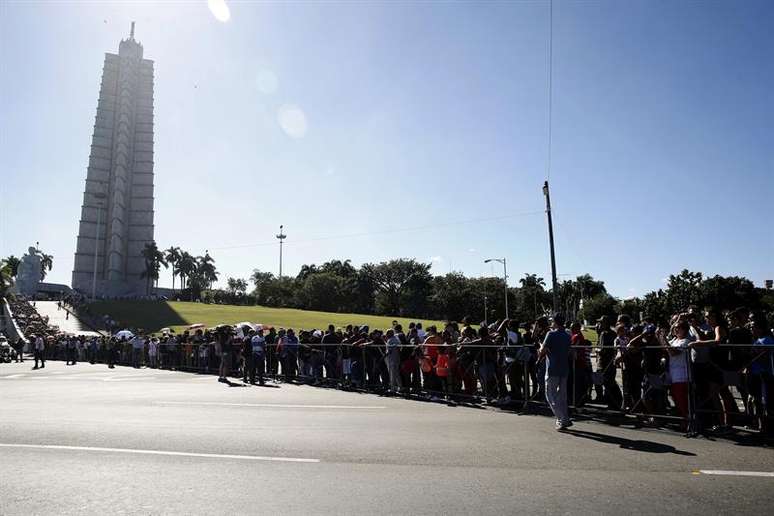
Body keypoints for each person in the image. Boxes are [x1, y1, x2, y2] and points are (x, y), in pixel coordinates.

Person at [538, 314, 572, 430]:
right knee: (562, 396)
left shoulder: (551, 334)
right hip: (564, 368)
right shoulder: (567, 335)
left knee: (551, 395)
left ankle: (562, 418)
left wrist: (541, 347)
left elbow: (542, 351)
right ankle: (565, 417)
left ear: (555, 322)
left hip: (552, 368)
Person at [658, 321, 692, 431]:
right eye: (675, 328)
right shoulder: (675, 340)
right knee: (676, 400)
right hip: (673, 375)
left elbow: (673, 352)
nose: (676, 330)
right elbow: (664, 348)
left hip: (682, 375)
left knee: (683, 401)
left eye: (679, 328)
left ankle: (688, 421)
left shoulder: (686, 341)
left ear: (685, 330)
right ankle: (683, 420)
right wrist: (660, 336)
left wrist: (665, 340)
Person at [384, 328, 402, 394]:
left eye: (387, 333)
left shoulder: (391, 340)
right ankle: (400, 387)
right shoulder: (396, 339)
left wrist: (384, 355)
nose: (386, 335)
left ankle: (393, 388)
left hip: (392, 359)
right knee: (396, 374)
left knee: (392, 374)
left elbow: (389, 350)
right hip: (395, 359)